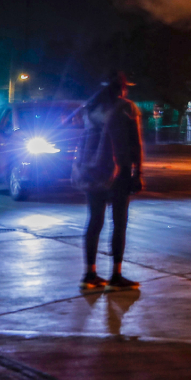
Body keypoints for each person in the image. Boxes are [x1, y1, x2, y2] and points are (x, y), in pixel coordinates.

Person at [76, 71, 144, 291]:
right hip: (118, 171)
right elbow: (136, 143)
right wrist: (138, 172)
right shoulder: (126, 107)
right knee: (119, 223)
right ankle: (116, 275)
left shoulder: (90, 108)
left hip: (93, 170)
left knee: (94, 221)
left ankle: (90, 274)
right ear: (122, 88)